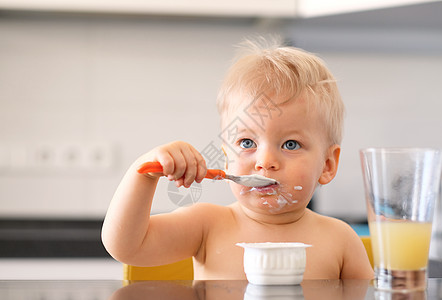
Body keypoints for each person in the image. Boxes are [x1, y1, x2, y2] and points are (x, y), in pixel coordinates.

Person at [101, 38, 374, 280]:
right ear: (225, 156)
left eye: (291, 144)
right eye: (247, 143)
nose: (265, 162)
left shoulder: (341, 240)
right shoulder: (206, 225)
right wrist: (143, 174)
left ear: (327, 165)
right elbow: (126, 246)